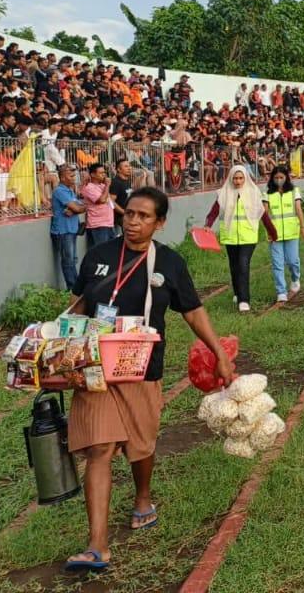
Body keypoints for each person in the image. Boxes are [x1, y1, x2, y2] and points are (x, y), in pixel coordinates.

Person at [63, 186, 235, 573]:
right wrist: (56, 342)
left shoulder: (169, 263)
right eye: (129, 214)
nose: (133, 222)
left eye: (144, 217)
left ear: (159, 223)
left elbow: (193, 311)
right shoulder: (98, 256)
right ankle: (97, 545)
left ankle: (143, 496)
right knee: (100, 448)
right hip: (96, 369)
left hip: (142, 369)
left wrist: (219, 354)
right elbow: (79, 304)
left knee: (140, 446)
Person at [204, 165, 277, 312]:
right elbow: (214, 211)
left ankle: (244, 300)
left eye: (240, 178)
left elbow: (262, 214)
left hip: (248, 236)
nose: (238, 181)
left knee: (243, 264)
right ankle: (237, 293)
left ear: (245, 178)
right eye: (235, 178)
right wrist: (208, 225)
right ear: (231, 178)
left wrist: (272, 232)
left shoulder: (253, 193)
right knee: (234, 266)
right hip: (230, 236)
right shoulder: (224, 193)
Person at [264, 164, 304, 303]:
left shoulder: (294, 191)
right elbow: (265, 214)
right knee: (277, 263)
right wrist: (268, 231)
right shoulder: (267, 194)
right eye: (276, 177)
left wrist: (303, 227)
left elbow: (298, 209)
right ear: (272, 178)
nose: (279, 180)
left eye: (281, 177)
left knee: (293, 261)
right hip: (275, 234)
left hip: (291, 232)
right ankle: (281, 291)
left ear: (286, 177)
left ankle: (295, 278)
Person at [51, 163, 85, 289]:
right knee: (68, 261)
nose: (74, 178)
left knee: (72, 260)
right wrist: (76, 208)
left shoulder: (70, 190)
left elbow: (82, 206)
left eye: (74, 175)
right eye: (70, 176)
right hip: (63, 231)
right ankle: (73, 288)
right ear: (62, 177)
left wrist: (75, 210)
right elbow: (78, 207)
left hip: (71, 230)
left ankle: (76, 288)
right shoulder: (60, 191)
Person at [81, 163, 117, 248]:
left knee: (110, 250)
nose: (104, 175)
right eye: (101, 173)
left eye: (104, 172)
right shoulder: (89, 187)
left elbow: (110, 201)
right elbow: (102, 200)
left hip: (108, 223)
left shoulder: (102, 185)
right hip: (98, 225)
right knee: (101, 251)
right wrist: (107, 185)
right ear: (93, 174)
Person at [110, 157, 134, 235]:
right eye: (126, 166)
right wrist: (123, 212)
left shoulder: (127, 181)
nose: (129, 168)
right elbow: (111, 201)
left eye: (129, 166)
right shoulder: (116, 182)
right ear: (119, 169)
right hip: (119, 217)